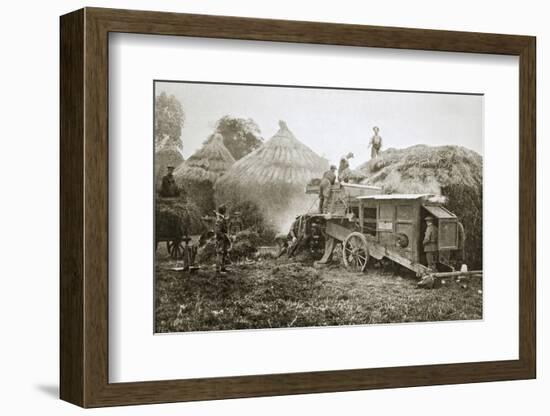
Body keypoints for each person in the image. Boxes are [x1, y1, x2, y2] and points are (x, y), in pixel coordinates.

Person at [215, 204, 231, 273]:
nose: (226, 211)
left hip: (224, 239)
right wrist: (223, 236)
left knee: (224, 252)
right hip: (221, 239)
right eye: (225, 210)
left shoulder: (222, 218)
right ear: (223, 211)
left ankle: (223, 267)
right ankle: (218, 269)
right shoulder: (220, 220)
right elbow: (218, 231)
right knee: (220, 253)